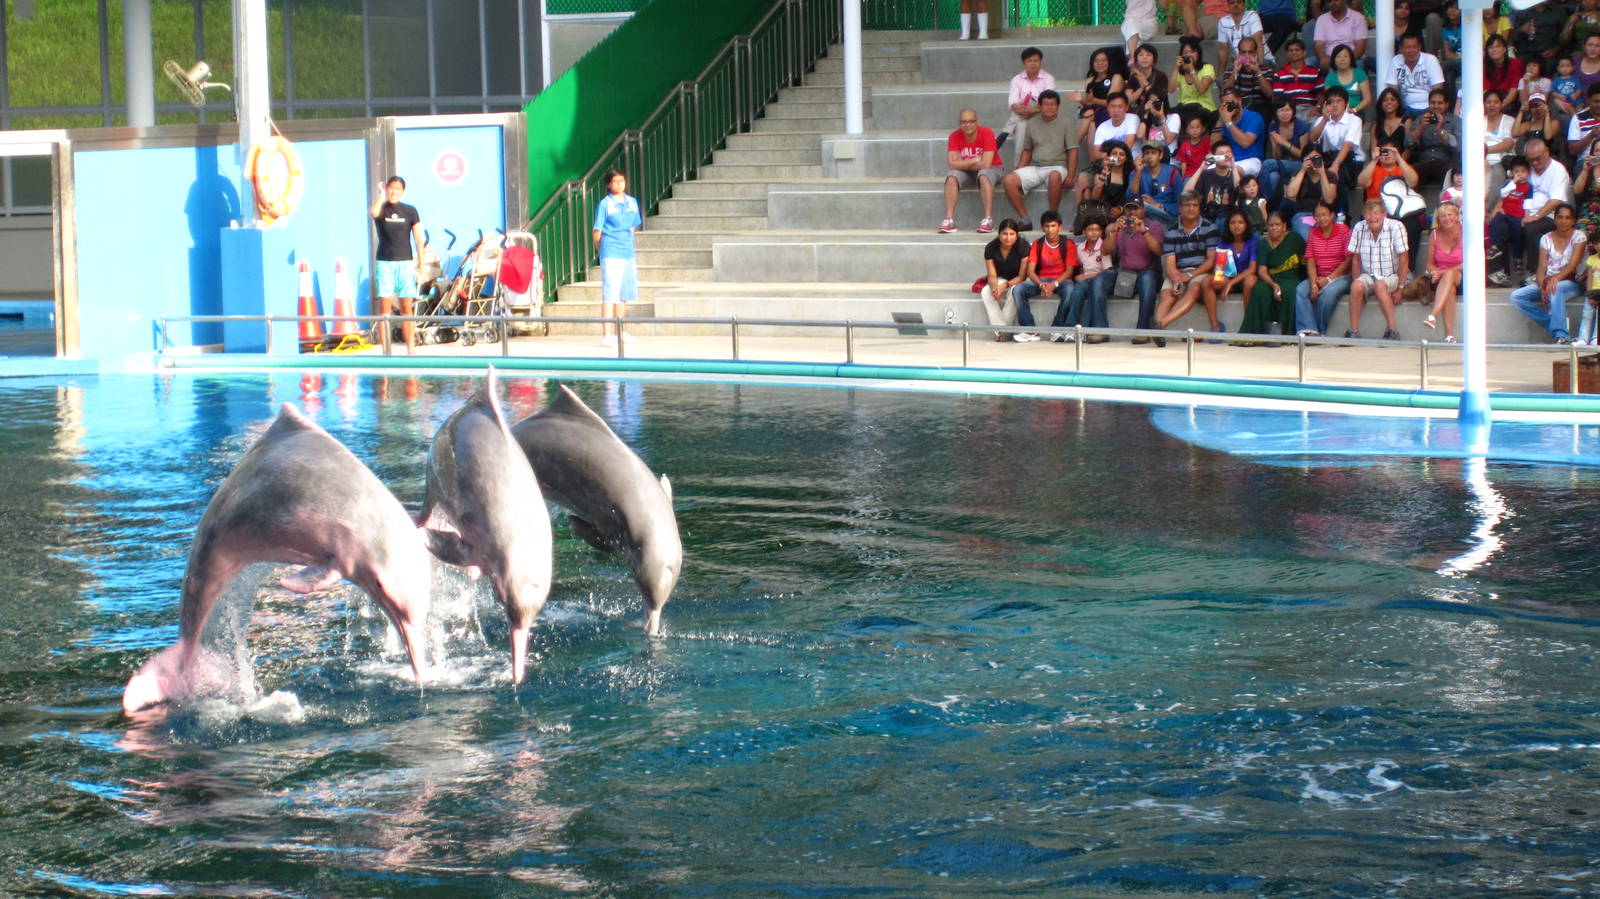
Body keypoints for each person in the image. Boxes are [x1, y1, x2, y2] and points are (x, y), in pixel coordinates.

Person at [1509, 203, 1585, 343]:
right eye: (1560, 217)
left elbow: (1572, 266)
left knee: (1555, 289)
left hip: (1571, 281)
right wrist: (1542, 286)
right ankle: (1553, 324)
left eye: (1568, 218)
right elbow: (1541, 268)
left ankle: (1561, 335)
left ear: (1573, 221)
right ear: (1554, 219)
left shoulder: (1579, 237)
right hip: (1548, 281)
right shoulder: (1546, 238)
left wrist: (1553, 281)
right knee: (1517, 296)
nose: (1563, 221)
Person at [1154, 192, 1221, 343]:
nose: (1191, 209)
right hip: (1178, 272)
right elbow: (1170, 264)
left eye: (1195, 205)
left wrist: (1190, 276)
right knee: (1167, 294)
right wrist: (1176, 279)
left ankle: (1160, 324)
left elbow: (1211, 261)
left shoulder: (1210, 228)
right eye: (1187, 205)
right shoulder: (1171, 231)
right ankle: (1160, 333)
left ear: (1199, 208)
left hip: (1201, 271)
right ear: (1180, 208)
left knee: (1195, 288)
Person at [369, 175, 426, 352]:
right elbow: (373, 213)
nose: (394, 191)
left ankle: (410, 348)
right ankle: (386, 350)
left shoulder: (410, 211)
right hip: (385, 263)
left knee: (406, 308)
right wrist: (380, 196)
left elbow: (418, 238)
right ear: (387, 189)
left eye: (397, 189)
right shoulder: (382, 209)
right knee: (385, 308)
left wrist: (421, 262)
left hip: (405, 264)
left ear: (403, 192)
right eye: (391, 188)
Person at [1002, 90, 1072, 230]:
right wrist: (1019, 170)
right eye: (1046, 104)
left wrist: (1070, 175)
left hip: (1058, 167)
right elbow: (1027, 150)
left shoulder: (1066, 123)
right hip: (1037, 167)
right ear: (1039, 106)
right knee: (1009, 179)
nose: (1049, 107)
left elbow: (1073, 151)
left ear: (1058, 106)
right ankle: (1025, 219)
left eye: (1053, 104)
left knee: (1054, 176)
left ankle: (1053, 219)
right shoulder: (1032, 123)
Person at [1345, 198, 1409, 340]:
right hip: (1369, 274)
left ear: (1384, 214)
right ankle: (1353, 331)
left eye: (1376, 213)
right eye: (1368, 214)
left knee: (1380, 285)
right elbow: (1356, 258)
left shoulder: (1396, 226)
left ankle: (1392, 331)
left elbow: (1404, 258)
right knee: (1356, 286)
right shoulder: (1359, 227)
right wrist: (1358, 284)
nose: (1372, 217)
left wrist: (1401, 288)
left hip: (1393, 274)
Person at [592, 168, 642, 347]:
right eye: (615, 181)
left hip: (627, 252)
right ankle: (607, 334)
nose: (619, 184)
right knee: (610, 294)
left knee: (623, 295)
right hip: (611, 252)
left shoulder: (632, 202)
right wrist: (603, 249)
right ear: (608, 184)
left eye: (622, 180)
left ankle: (620, 331)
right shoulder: (605, 204)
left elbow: (634, 225)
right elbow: (597, 232)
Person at [1013, 210, 1077, 340]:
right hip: (1042, 279)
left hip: (1062, 280)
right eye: (1047, 226)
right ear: (1042, 228)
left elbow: (1069, 271)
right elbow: (1031, 271)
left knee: (1070, 289)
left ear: (1060, 227)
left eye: (1053, 226)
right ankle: (1030, 330)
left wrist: (1054, 284)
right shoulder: (1038, 244)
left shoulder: (1068, 244)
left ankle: (1057, 327)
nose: (1050, 230)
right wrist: (1041, 284)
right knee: (1018, 289)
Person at [1107, 200, 1166, 341]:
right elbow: (1105, 251)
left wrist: (1144, 231)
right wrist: (1114, 231)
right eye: (1129, 209)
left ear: (1143, 210)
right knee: (1099, 281)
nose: (1132, 212)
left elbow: (1158, 251)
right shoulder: (1119, 228)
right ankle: (1099, 329)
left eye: (1136, 209)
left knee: (1147, 279)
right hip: (1126, 274)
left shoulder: (1154, 227)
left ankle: (1143, 330)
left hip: (1149, 273)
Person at [1242, 211, 1305, 338]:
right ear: (1266, 227)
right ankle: (1256, 334)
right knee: (1260, 290)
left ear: (1284, 226)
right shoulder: (1263, 243)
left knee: (1288, 291)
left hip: (1291, 277)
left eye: (1277, 224)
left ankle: (1287, 334)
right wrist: (1274, 284)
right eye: (1271, 225)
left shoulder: (1294, 239)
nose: (1274, 228)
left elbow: (1305, 261)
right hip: (1270, 278)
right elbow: (1262, 271)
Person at [1295, 199, 1354, 336]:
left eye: (1324, 214)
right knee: (1300, 290)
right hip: (1319, 275)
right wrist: (1314, 283)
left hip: (1342, 276)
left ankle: (1321, 331)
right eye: (1318, 216)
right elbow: (1310, 261)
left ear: (1332, 215)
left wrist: (1329, 279)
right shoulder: (1313, 234)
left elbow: (1349, 260)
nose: (1321, 218)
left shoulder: (1344, 231)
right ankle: (1308, 329)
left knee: (1329, 293)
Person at [1521, 134, 1574, 282]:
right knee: (1500, 223)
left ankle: (1535, 273)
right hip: (1525, 212)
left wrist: (1535, 216)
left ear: (1547, 152)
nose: (1535, 163)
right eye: (1530, 160)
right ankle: (1500, 272)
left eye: (1538, 158)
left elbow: (1556, 200)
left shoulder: (1558, 170)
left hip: (1550, 216)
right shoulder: (1526, 169)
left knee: (1532, 228)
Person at [1051, 219, 1114, 341]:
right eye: (1090, 230)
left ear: (1101, 232)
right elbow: (1077, 267)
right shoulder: (1080, 248)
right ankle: (1071, 328)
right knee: (1078, 290)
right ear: (1084, 232)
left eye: (1097, 230)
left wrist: (1086, 277)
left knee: (1093, 292)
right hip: (1085, 281)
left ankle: (1084, 329)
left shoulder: (1104, 247)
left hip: (1100, 281)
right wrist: (1078, 276)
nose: (1094, 233)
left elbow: (1107, 271)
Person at [940, 108, 1001, 234]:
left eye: (971, 121)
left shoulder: (987, 133)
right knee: (951, 177)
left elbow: (986, 164)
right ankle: (949, 220)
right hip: (968, 171)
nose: (967, 125)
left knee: (984, 174)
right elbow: (951, 164)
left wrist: (961, 163)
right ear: (959, 123)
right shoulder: (954, 136)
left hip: (992, 168)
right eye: (963, 122)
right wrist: (974, 160)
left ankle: (988, 220)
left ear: (977, 121)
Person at [1203, 210, 1259, 336]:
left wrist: (1230, 284)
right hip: (1229, 280)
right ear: (1228, 225)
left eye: (1240, 222)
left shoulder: (1253, 240)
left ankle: (1248, 324)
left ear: (1246, 225)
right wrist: (1218, 279)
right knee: (1207, 281)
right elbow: (1220, 268)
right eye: (1233, 223)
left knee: (1250, 279)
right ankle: (1215, 326)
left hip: (1245, 279)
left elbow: (1252, 268)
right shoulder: (1224, 242)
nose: (1236, 226)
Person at [1306, 87, 1364, 201]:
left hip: (1351, 160)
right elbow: (1313, 139)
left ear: (1346, 104)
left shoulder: (1355, 120)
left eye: (1339, 101)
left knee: (1336, 176)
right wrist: (1325, 119)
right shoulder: (1322, 120)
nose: (1335, 105)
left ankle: (1343, 215)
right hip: (1328, 158)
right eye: (1330, 102)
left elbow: (1348, 145)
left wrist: (1335, 166)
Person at [1002, 48, 1056, 168]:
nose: (1033, 63)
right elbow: (1013, 102)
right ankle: (1019, 168)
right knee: (1022, 126)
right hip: (1023, 116)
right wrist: (1020, 108)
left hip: (1042, 116)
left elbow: (1049, 102)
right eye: (1029, 60)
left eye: (1036, 60)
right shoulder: (1016, 80)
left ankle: (1018, 165)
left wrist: (1033, 110)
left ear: (1040, 62)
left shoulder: (1048, 79)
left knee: (1021, 120)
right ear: (1023, 62)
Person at [1420, 200, 1463, 342]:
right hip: (1440, 279)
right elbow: (1429, 263)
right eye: (1443, 216)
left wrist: (1442, 272)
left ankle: (1433, 315)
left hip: (1463, 277)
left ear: (1457, 216)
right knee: (1449, 289)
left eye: (1450, 214)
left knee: (1450, 274)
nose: (1447, 218)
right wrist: (1434, 272)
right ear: (1438, 219)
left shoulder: (1466, 232)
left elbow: (1469, 263)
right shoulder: (1434, 234)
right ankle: (1449, 336)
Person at [980, 219, 1030, 340]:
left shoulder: (1023, 246)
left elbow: (1022, 276)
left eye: (1012, 234)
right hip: (1001, 277)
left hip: (1019, 279)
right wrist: (994, 288)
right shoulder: (991, 247)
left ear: (1016, 235)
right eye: (1004, 234)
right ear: (999, 234)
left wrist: (1004, 286)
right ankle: (1003, 329)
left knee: (1015, 292)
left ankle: (1002, 333)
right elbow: (992, 275)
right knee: (985, 292)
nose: (1008, 238)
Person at [1383, 32, 1444, 118]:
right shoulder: (1397, 61)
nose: (1411, 51)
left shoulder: (1430, 60)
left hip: (1428, 108)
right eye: (1407, 47)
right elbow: (1393, 89)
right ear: (1400, 48)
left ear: (1419, 47)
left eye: (1414, 47)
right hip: (1405, 107)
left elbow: (1438, 88)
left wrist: (1432, 108)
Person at [1408, 88, 1460, 185]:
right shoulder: (1421, 119)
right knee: (1410, 173)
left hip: (1446, 161)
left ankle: (1447, 198)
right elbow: (1408, 144)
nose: (1436, 106)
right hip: (1424, 161)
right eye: (1433, 102)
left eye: (1440, 103)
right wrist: (1421, 127)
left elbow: (1457, 147)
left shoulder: (1455, 121)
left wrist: (1440, 130)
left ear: (1447, 104)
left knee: (1451, 171)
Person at [1185, 140, 1241, 228]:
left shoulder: (1235, 174)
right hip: (1207, 218)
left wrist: (1233, 167)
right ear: (1214, 156)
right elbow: (1186, 193)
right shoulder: (1206, 174)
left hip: (1228, 220)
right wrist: (1201, 168)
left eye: (1228, 153)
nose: (1225, 156)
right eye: (1221, 153)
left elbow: (1240, 193)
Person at [1212, 87, 1265, 178]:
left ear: (1240, 101)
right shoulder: (1225, 119)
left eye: (1231, 102)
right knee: (1207, 170)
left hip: (1251, 159)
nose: (1230, 106)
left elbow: (1245, 142)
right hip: (1229, 158)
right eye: (1226, 103)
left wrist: (1229, 122)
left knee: (1234, 171)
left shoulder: (1254, 117)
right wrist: (1221, 119)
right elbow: (1214, 145)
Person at [1284, 150, 1340, 235]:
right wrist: (1303, 170)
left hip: (1324, 213)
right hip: (1303, 214)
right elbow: (1291, 194)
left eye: (1317, 158)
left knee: (1326, 231)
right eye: (1310, 159)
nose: (1313, 161)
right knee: (1305, 233)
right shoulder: (1299, 173)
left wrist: (1322, 174)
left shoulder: (1330, 175)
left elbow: (1329, 200)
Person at [1222, 35, 1273, 118]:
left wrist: (1257, 71)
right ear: (1239, 54)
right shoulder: (1231, 71)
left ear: (1255, 53)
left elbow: (1269, 94)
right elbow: (1224, 92)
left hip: (1259, 108)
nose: (1247, 55)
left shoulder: (1266, 70)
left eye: (1250, 52)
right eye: (1243, 52)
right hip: (1238, 107)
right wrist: (1235, 72)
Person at [1272, 39, 1324, 118]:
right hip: (1288, 110)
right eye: (1290, 50)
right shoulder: (1279, 74)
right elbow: (1278, 98)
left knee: (1317, 124)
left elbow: (1322, 96)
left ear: (1304, 53)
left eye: (1297, 50)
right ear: (1286, 54)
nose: (1293, 52)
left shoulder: (1315, 72)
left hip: (1309, 110)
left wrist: (1317, 108)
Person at [1173, 37, 1219, 128]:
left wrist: (1192, 70)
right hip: (1184, 106)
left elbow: (1202, 89)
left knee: (1193, 111)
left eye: (1192, 51)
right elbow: (1171, 89)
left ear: (1198, 53)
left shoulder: (1207, 68)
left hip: (1204, 107)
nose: (1189, 55)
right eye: (1186, 52)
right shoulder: (1181, 70)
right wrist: (1176, 68)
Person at [1136, 142, 1183, 226]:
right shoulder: (1137, 171)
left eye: (1153, 153)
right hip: (1144, 217)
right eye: (1146, 153)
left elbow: (1180, 204)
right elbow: (1130, 196)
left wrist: (1158, 205)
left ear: (1160, 155)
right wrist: (1138, 172)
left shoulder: (1173, 172)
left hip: (1167, 217)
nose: (1149, 156)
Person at [1513, 0, 1569, 69]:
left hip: (1550, 53)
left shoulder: (1558, 11)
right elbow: (1513, 37)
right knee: (1520, 63)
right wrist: (1521, 29)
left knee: (1553, 63)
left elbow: (1566, 37)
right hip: (1527, 53)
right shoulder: (1523, 12)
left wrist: (1556, 49)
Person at [1216, 0, 1269, 72]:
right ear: (1228, 5)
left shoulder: (1252, 15)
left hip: (1264, 60)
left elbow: (1258, 40)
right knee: (1224, 80)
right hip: (1241, 62)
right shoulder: (1223, 22)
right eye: (1232, 3)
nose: (1235, 5)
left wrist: (1261, 65)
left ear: (1244, 4)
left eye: (1239, 2)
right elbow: (1223, 50)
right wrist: (1220, 74)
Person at [1313, 0, 1369, 66]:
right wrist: (1323, 57)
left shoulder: (1358, 18)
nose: (1333, 3)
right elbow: (1319, 44)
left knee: (1359, 65)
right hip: (1329, 57)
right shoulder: (1322, 19)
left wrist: (1344, 61)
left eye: (1336, 0)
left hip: (1352, 58)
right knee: (1309, 62)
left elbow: (1360, 48)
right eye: (1329, 1)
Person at [1485, 89, 1517, 202]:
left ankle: (1487, 211)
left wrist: (1486, 150)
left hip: (1501, 161)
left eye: (1495, 102)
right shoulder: (1478, 120)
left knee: (1497, 173)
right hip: (1481, 160)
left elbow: (1508, 144)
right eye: (1488, 102)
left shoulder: (1509, 120)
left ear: (1501, 104)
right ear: (1484, 104)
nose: (1492, 105)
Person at [1323, 44, 1372, 118]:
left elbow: (1367, 99)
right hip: (1336, 113)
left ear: (1351, 58)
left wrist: (1353, 110)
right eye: (1338, 56)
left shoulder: (1360, 73)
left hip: (1356, 112)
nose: (1342, 59)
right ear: (1334, 60)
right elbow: (1330, 100)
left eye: (1345, 56)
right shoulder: (1330, 78)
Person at [1483, 35, 1522, 111]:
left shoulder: (1515, 63)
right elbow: (1485, 91)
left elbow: (1514, 90)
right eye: (1490, 47)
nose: (1494, 50)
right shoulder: (1484, 67)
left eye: (1497, 46)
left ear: (1504, 49)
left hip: (1510, 100)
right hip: (1492, 99)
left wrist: (1502, 105)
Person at [1126, 44, 1171, 111]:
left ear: (1154, 59)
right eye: (1141, 55)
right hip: (1137, 112)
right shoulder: (1133, 77)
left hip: (1156, 111)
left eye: (1148, 55)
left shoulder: (1161, 76)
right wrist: (1141, 88)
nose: (1144, 58)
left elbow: (1159, 99)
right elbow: (1128, 101)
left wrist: (1145, 83)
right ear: (1136, 59)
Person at [1568, 84, 1600, 166]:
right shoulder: (1578, 118)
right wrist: (1591, 135)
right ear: (1588, 101)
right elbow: (1572, 151)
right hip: (1586, 161)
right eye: (1596, 101)